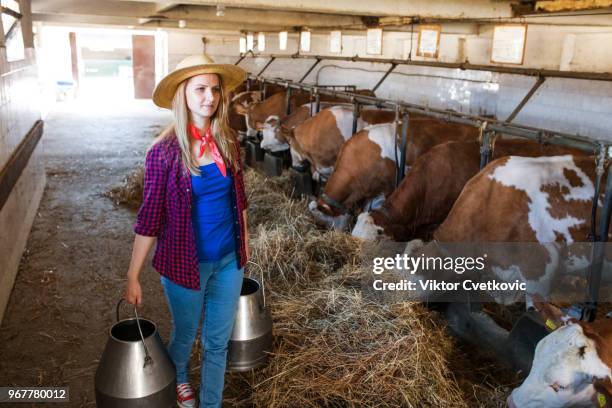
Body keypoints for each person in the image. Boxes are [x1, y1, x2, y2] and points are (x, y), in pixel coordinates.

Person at [124, 54, 249, 408]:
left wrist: (245, 244)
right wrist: (133, 276)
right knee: (184, 336)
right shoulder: (163, 154)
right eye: (200, 89)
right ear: (183, 94)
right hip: (184, 264)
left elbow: (239, 201)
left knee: (217, 342)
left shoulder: (229, 144)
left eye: (214, 89)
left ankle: (211, 403)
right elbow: (148, 220)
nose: (209, 97)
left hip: (229, 262)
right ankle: (178, 378)